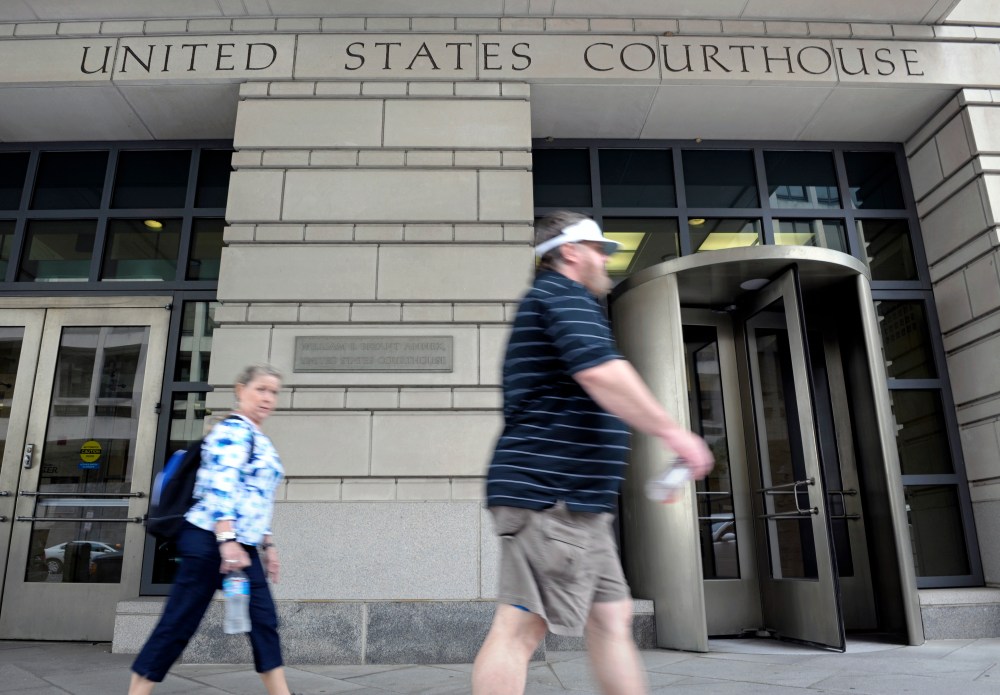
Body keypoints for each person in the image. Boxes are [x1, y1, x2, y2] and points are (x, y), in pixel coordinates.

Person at [471, 212, 715, 695]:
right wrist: (676, 434)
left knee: (611, 616)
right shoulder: (560, 294)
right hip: (551, 495)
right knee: (519, 627)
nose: (605, 259)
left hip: (577, 502)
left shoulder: (559, 300)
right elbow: (601, 372)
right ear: (570, 251)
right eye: (598, 249)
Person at [129, 365, 294, 695]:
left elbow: (256, 498)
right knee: (180, 621)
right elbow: (222, 486)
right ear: (240, 390)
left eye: (273, 392)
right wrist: (226, 538)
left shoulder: (258, 438)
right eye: (261, 389)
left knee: (263, 621)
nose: (268, 398)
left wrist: (268, 544)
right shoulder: (231, 431)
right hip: (209, 540)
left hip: (240, 545)